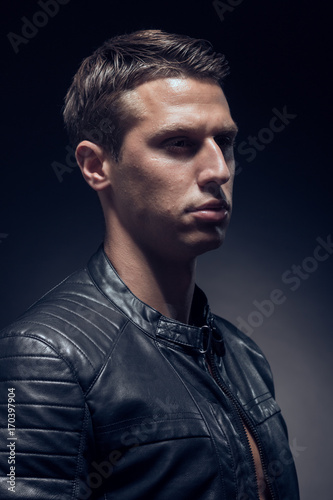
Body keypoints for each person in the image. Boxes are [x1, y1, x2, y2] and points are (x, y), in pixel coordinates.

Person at [0, 29, 299, 499]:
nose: (219, 169)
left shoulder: (243, 354)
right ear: (96, 166)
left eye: (225, 141)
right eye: (179, 143)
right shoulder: (45, 356)